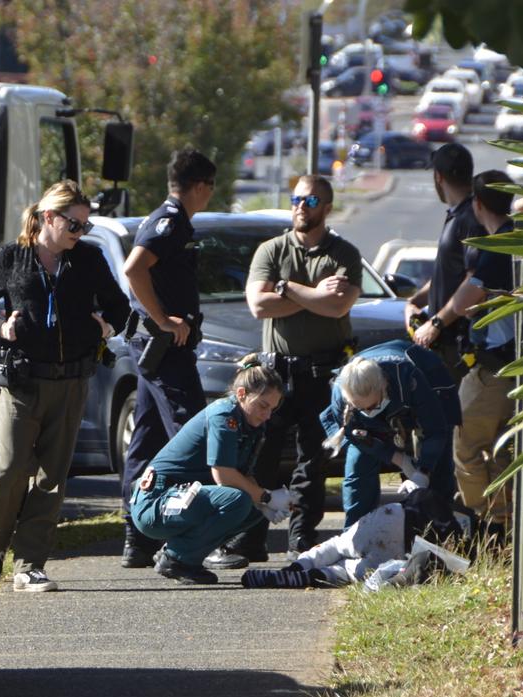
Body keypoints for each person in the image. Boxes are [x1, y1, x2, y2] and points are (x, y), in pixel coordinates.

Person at [0, 180, 130, 592]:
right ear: (49, 218)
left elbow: (121, 307)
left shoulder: (87, 260)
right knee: (8, 469)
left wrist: (106, 327)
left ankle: (30, 563)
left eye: (84, 227)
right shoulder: (12, 258)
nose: (80, 234)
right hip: (22, 381)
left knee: (51, 477)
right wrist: (0, 327)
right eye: (74, 225)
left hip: (72, 382)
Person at [236, 174, 363, 565]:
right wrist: (309, 294)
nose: (300, 207)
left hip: (322, 372)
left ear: (326, 207)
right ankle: (249, 540)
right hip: (275, 373)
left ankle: (302, 542)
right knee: (261, 458)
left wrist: (285, 290)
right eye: (296, 199)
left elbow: (337, 307)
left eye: (309, 201)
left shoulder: (343, 253)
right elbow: (258, 306)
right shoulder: (271, 250)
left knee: (312, 461)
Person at [119, 148, 218, 568]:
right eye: (211, 188)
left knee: (148, 439)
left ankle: (137, 538)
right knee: (192, 434)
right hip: (165, 347)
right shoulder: (169, 221)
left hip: (159, 348)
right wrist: (162, 320)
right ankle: (188, 536)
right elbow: (134, 269)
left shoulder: (167, 219)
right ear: (200, 187)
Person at [130, 363, 297, 584]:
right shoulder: (224, 416)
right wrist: (265, 496)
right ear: (241, 394)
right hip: (156, 502)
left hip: (182, 498)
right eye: (263, 406)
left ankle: (184, 555)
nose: (267, 415)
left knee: (252, 508)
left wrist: (264, 504)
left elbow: (244, 475)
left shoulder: (251, 422)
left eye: (272, 409)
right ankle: (177, 559)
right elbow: (224, 475)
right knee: (239, 500)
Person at [319, 339, 462, 526]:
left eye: (372, 406)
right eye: (360, 408)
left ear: (383, 386)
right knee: (358, 467)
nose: (368, 412)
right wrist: (398, 459)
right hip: (369, 411)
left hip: (428, 380)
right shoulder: (340, 392)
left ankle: (441, 531)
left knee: (439, 467)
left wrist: (423, 472)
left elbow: (435, 429)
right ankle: (356, 535)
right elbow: (357, 437)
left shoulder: (409, 378)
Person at [447, 170, 519, 533]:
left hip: (494, 371)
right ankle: (505, 522)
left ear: (477, 204)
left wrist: (476, 298)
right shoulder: (522, 238)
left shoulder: (496, 248)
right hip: (517, 369)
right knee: (505, 450)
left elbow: (461, 304)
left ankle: (488, 519)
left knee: (465, 446)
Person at [240, 488, 473, 589]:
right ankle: (312, 576)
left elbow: (423, 496)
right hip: (404, 553)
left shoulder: (433, 503)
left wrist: (302, 561)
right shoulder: (468, 544)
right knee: (346, 572)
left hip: (389, 520)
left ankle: (299, 568)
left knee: (338, 546)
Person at [406, 142, 485, 383]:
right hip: (443, 342)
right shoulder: (458, 215)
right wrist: (416, 300)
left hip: (458, 344)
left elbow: (474, 281)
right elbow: (450, 273)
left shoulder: (471, 217)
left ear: (438, 177)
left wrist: (436, 324)